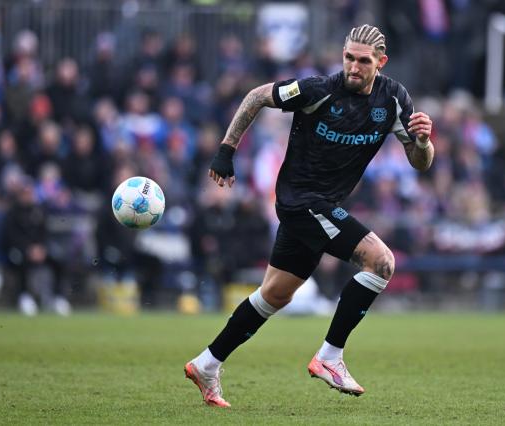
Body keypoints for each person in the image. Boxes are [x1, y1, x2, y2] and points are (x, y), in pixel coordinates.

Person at [184, 25, 434, 407]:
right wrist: (226, 150)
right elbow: (256, 97)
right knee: (381, 262)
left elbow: (420, 163)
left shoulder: (395, 98)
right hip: (301, 201)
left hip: (318, 205)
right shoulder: (319, 90)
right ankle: (330, 356)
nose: (352, 66)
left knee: (275, 294)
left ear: (380, 63)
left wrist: (422, 141)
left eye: (363, 61)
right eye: (348, 57)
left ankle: (206, 363)